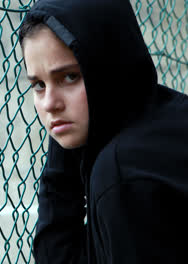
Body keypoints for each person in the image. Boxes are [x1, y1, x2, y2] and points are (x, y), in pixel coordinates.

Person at [19, 0, 188, 263]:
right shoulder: (165, 119)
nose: (50, 104)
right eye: (39, 85)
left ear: (109, 68)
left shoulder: (122, 175)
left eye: (70, 77)